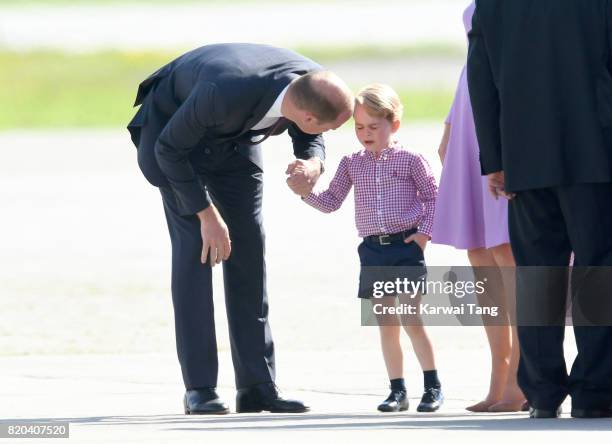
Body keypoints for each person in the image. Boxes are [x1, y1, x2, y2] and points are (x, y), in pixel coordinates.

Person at [127, 43, 353, 415]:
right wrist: (205, 214)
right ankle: (199, 388)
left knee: (248, 248)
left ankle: (257, 386)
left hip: (234, 138)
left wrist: (313, 160)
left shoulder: (311, 81)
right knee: (197, 252)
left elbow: (312, 130)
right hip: (174, 142)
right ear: (307, 116)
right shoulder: (223, 91)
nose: (329, 131)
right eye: (328, 127)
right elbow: (168, 150)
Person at [468, 0, 612, 419]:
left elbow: (481, 78)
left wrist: (494, 159)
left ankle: (543, 392)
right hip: (596, 155)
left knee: (536, 276)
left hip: (525, 158)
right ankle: (595, 390)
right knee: (597, 271)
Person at [289, 84, 444, 413]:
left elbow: (434, 198)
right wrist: (304, 192)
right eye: (360, 127)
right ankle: (397, 391)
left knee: (411, 319)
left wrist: (423, 235)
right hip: (373, 251)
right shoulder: (351, 163)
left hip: (405, 247)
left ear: (394, 125)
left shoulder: (411, 160)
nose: (365, 133)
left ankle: (432, 386)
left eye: (374, 127)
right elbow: (331, 201)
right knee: (386, 323)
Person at [431, 1, 525, 412]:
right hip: (471, 113)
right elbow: (473, 57)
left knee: (509, 252)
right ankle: (498, 377)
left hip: (506, 119)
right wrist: (451, 123)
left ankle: (524, 378)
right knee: (479, 251)